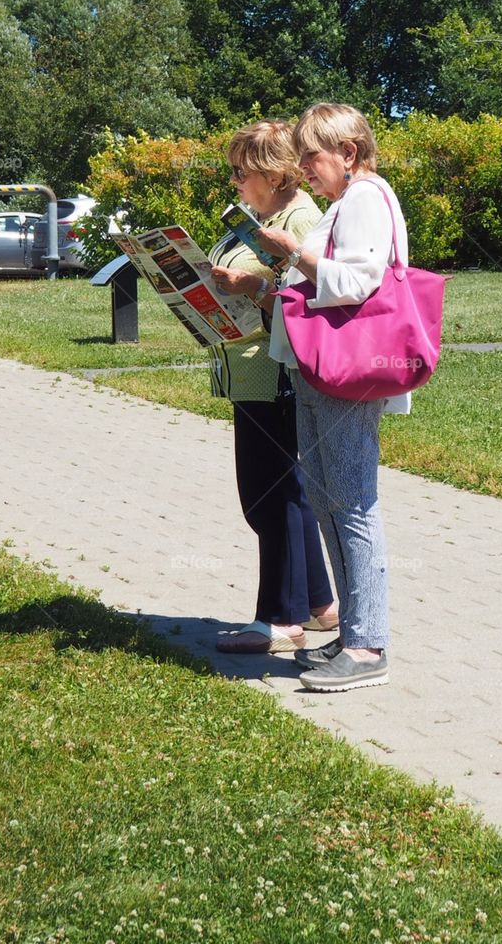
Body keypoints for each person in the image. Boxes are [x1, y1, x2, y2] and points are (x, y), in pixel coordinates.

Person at [257, 103, 410, 692]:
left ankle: (369, 646)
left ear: (349, 153)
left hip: (348, 373)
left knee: (352, 504)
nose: (303, 167)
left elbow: (359, 281)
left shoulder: (367, 198)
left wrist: (291, 252)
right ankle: (351, 633)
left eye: (311, 156)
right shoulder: (351, 200)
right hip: (322, 370)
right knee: (327, 499)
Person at [208, 120, 337, 655]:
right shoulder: (264, 217)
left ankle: (282, 619)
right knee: (283, 490)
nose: (235, 181)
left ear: (273, 172)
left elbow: (304, 302)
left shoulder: (300, 219)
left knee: (269, 497)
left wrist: (251, 286)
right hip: (250, 369)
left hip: (274, 373)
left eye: (242, 171)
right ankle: (319, 603)